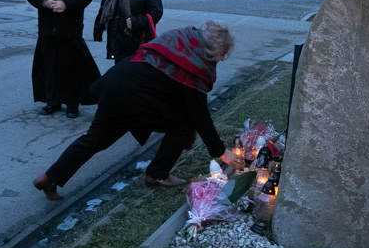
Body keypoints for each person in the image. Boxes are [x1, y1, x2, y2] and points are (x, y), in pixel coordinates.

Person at [33, 22, 244, 201]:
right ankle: (157, 175)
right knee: (184, 124)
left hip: (115, 86)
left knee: (94, 140)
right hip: (134, 98)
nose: (221, 60)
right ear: (213, 49)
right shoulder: (195, 64)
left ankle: (50, 177)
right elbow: (199, 115)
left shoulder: (181, 38)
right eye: (222, 54)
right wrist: (220, 151)